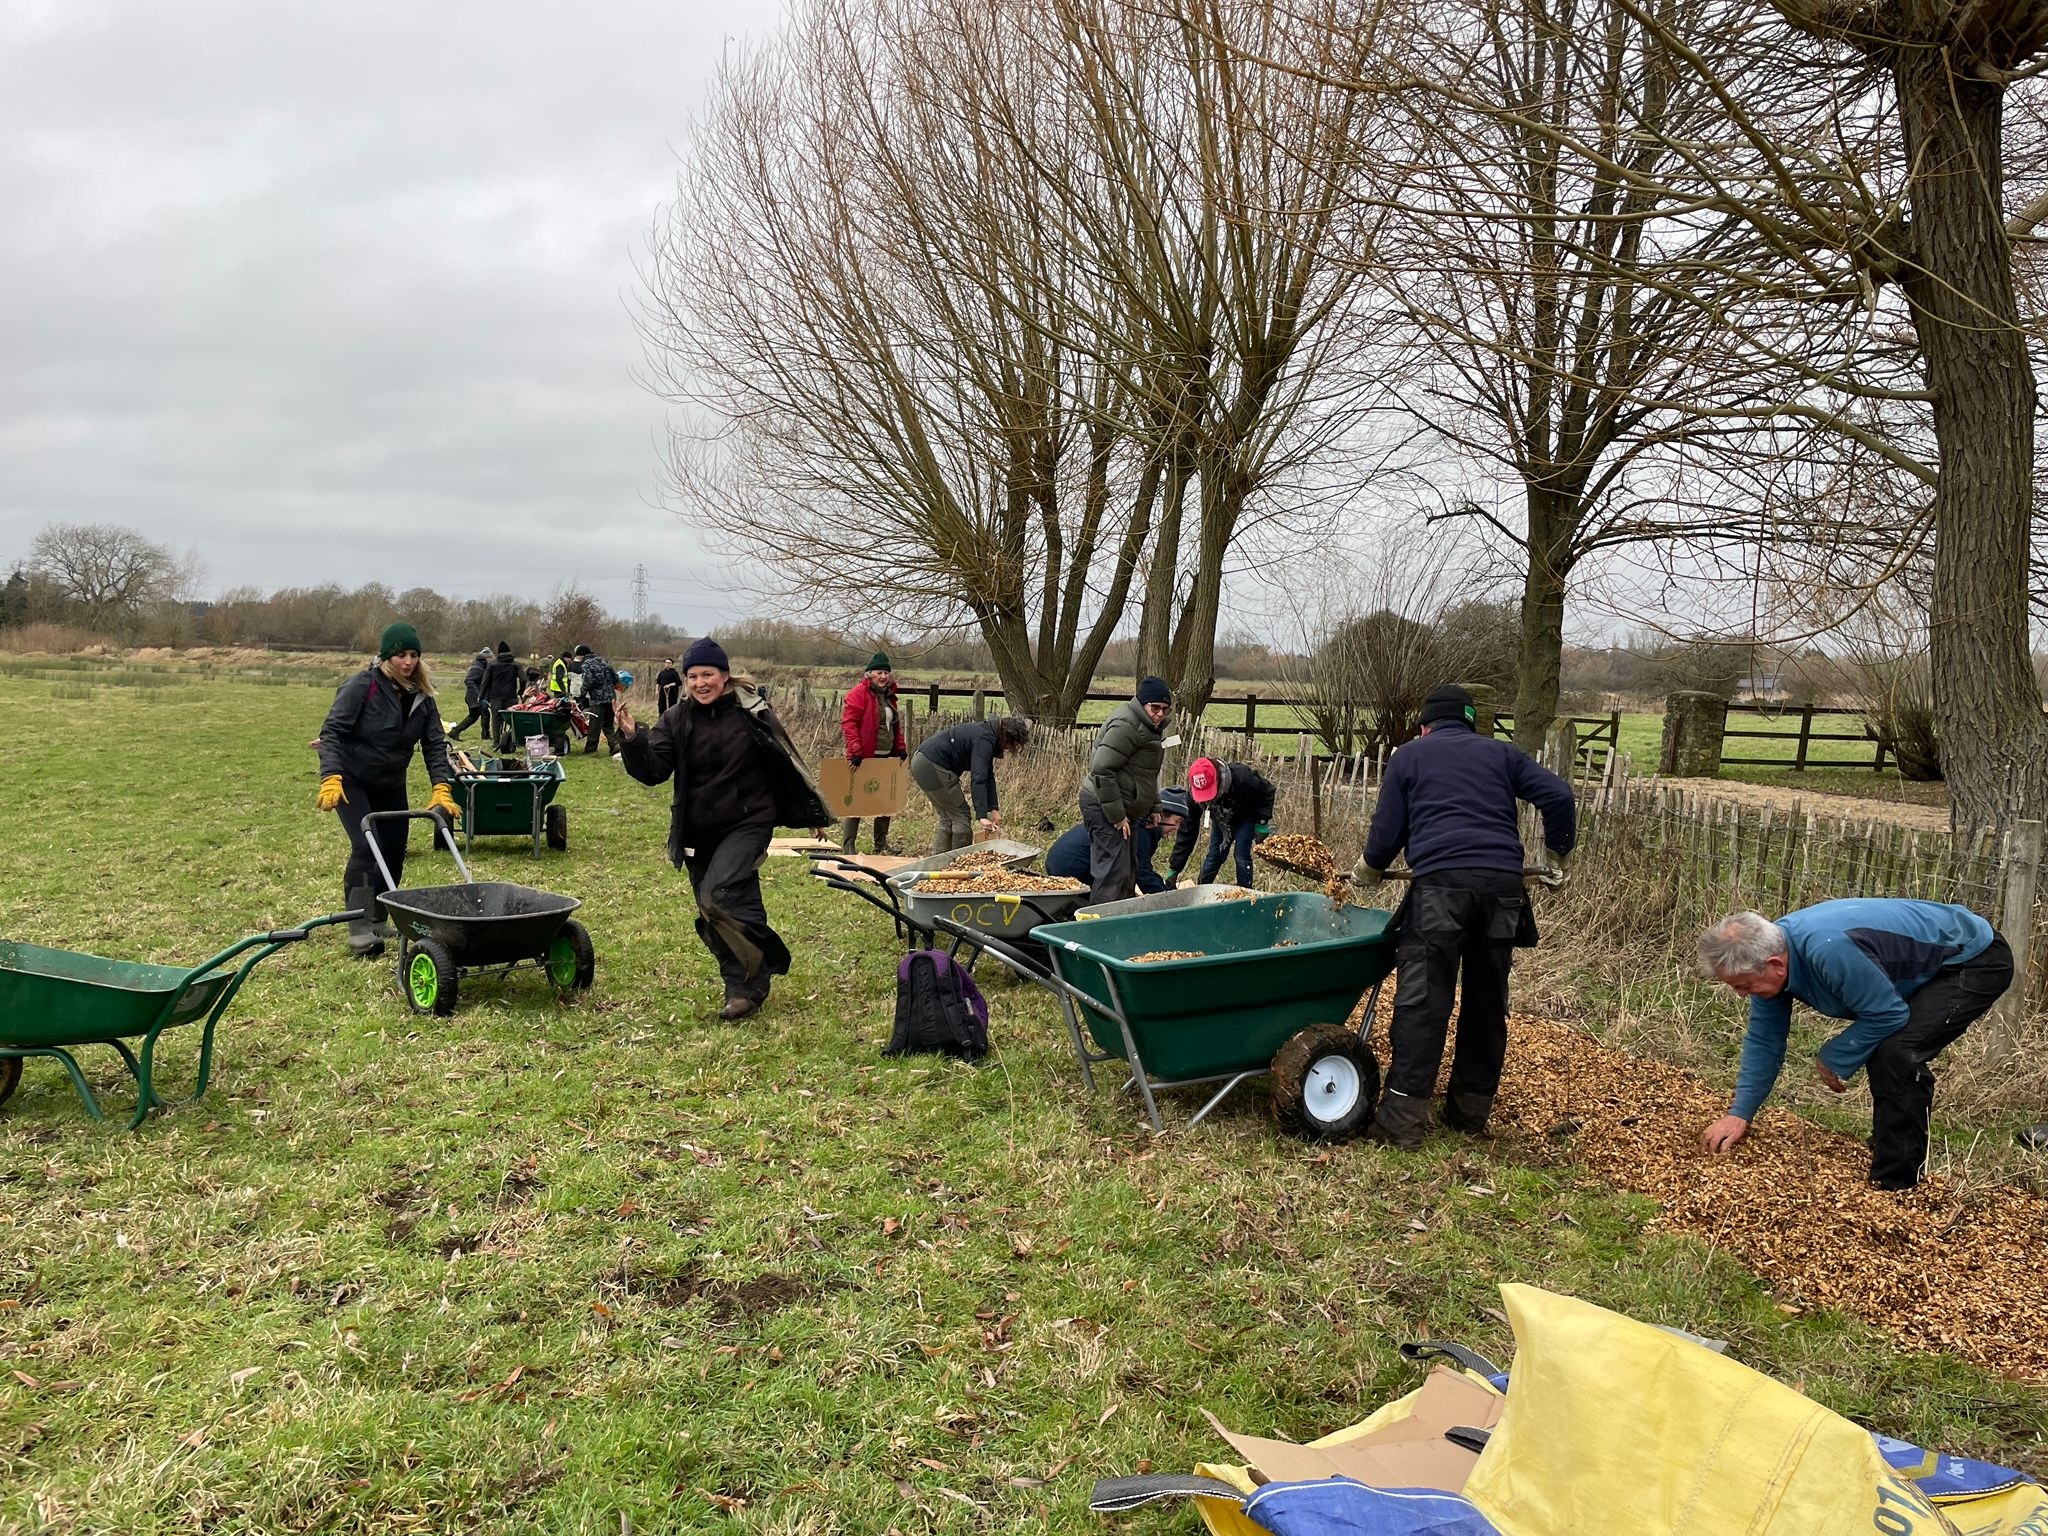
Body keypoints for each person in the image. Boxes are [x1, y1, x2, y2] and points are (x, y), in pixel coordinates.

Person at [1350, 683, 1576, 1147]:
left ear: (1424, 726)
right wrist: (1558, 855)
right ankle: (1469, 1114)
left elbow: (1388, 826)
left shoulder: (1410, 756)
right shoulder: (1501, 754)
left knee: (1424, 1000)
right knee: (1487, 1001)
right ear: (1470, 725)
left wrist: (1370, 867)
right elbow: (1558, 796)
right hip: (1502, 890)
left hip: (1441, 890)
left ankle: (1400, 1123)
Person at [1696, 901, 2013, 1190]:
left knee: (1897, 1053)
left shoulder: (1829, 950)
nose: (1742, 994)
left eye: (1744, 986)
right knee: (1887, 1045)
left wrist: (1834, 1056)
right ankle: (1889, 1145)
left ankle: (1898, 1184)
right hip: (1927, 959)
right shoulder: (1770, 954)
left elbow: (1888, 1014)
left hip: (1971, 959)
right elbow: (1765, 1040)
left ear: (1776, 964)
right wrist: (1740, 1114)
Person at [617, 637, 830, 1020]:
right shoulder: (676, 719)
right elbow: (654, 771)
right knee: (716, 910)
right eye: (693, 676)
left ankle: (765, 958)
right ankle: (742, 989)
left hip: (748, 822)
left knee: (717, 894)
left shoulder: (751, 713)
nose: (700, 683)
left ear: (725, 675)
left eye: (708, 674)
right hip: (698, 830)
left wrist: (811, 811)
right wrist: (633, 739)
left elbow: (786, 762)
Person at [316, 621, 460, 957]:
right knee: (367, 847)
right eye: (400, 655)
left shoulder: (423, 696)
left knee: (394, 849)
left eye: (413, 655)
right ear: (386, 656)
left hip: (391, 781)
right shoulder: (362, 686)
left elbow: (434, 744)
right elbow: (332, 732)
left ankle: (379, 918)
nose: (408, 662)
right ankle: (359, 927)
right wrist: (331, 776)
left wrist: (441, 786)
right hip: (351, 781)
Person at [1078, 677, 1172, 905]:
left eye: (1165, 709)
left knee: (1128, 870)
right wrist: (1117, 816)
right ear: (1143, 703)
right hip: (1103, 804)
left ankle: (1121, 920)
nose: (1160, 714)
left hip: (1125, 807)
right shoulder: (1127, 725)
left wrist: (1154, 805)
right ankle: (1099, 922)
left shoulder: (1150, 727)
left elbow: (1144, 773)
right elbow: (1102, 769)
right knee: (1113, 873)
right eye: (1155, 707)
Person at [911, 715, 1030, 854]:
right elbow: (978, 778)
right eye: (1011, 745)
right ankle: (959, 862)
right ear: (1007, 736)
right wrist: (982, 816)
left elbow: (988, 775)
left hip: (921, 761)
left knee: (948, 817)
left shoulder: (987, 732)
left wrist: (993, 808)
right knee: (961, 816)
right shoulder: (985, 739)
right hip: (933, 764)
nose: (1008, 749)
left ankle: (938, 863)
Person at [1047, 788, 1189, 896]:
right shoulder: (1141, 830)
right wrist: (1168, 897)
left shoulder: (1141, 823)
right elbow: (1142, 873)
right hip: (1071, 869)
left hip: (1062, 861)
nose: (1177, 828)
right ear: (1162, 815)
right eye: (1177, 821)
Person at [1169, 757, 1276, 887]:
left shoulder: (1242, 776)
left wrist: (1262, 822)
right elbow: (1188, 830)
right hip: (1221, 818)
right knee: (1215, 854)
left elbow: (1267, 791)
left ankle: (1245, 892)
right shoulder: (1193, 797)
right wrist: (1175, 867)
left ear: (1217, 779)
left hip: (1247, 816)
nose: (1206, 799)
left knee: (1241, 854)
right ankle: (1202, 889)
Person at [840, 652, 908, 855]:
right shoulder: (858, 693)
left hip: (886, 755)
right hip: (864, 756)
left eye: (886, 672)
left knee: (886, 799)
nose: (883, 676)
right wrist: (855, 750)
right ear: (869, 674)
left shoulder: (889, 696)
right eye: (879, 672)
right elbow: (849, 723)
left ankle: (881, 844)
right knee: (857, 800)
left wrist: (901, 747)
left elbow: (895, 725)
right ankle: (849, 845)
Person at [574, 644, 622, 756]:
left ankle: (591, 749)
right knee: (608, 724)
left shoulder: (587, 664)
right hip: (611, 698)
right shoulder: (603, 661)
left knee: (595, 725)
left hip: (597, 699)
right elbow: (615, 678)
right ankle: (614, 745)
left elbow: (588, 682)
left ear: (581, 655)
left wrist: (581, 695)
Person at [481, 641, 523, 748]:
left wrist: (481, 696)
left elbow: (485, 681)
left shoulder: (491, 664)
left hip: (495, 697)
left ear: (498, 652)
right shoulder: (516, 664)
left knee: (496, 720)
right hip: (511, 696)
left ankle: (496, 742)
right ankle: (513, 742)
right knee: (513, 720)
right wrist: (521, 692)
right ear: (509, 651)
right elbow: (523, 679)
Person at [447, 647, 492, 741]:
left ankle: (454, 732)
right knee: (485, 714)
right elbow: (468, 680)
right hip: (474, 697)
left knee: (473, 716)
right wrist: (478, 694)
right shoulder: (477, 668)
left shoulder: (481, 666)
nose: (491, 659)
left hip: (473, 697)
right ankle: (485, 736)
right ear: (486, 657)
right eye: (490, 657)